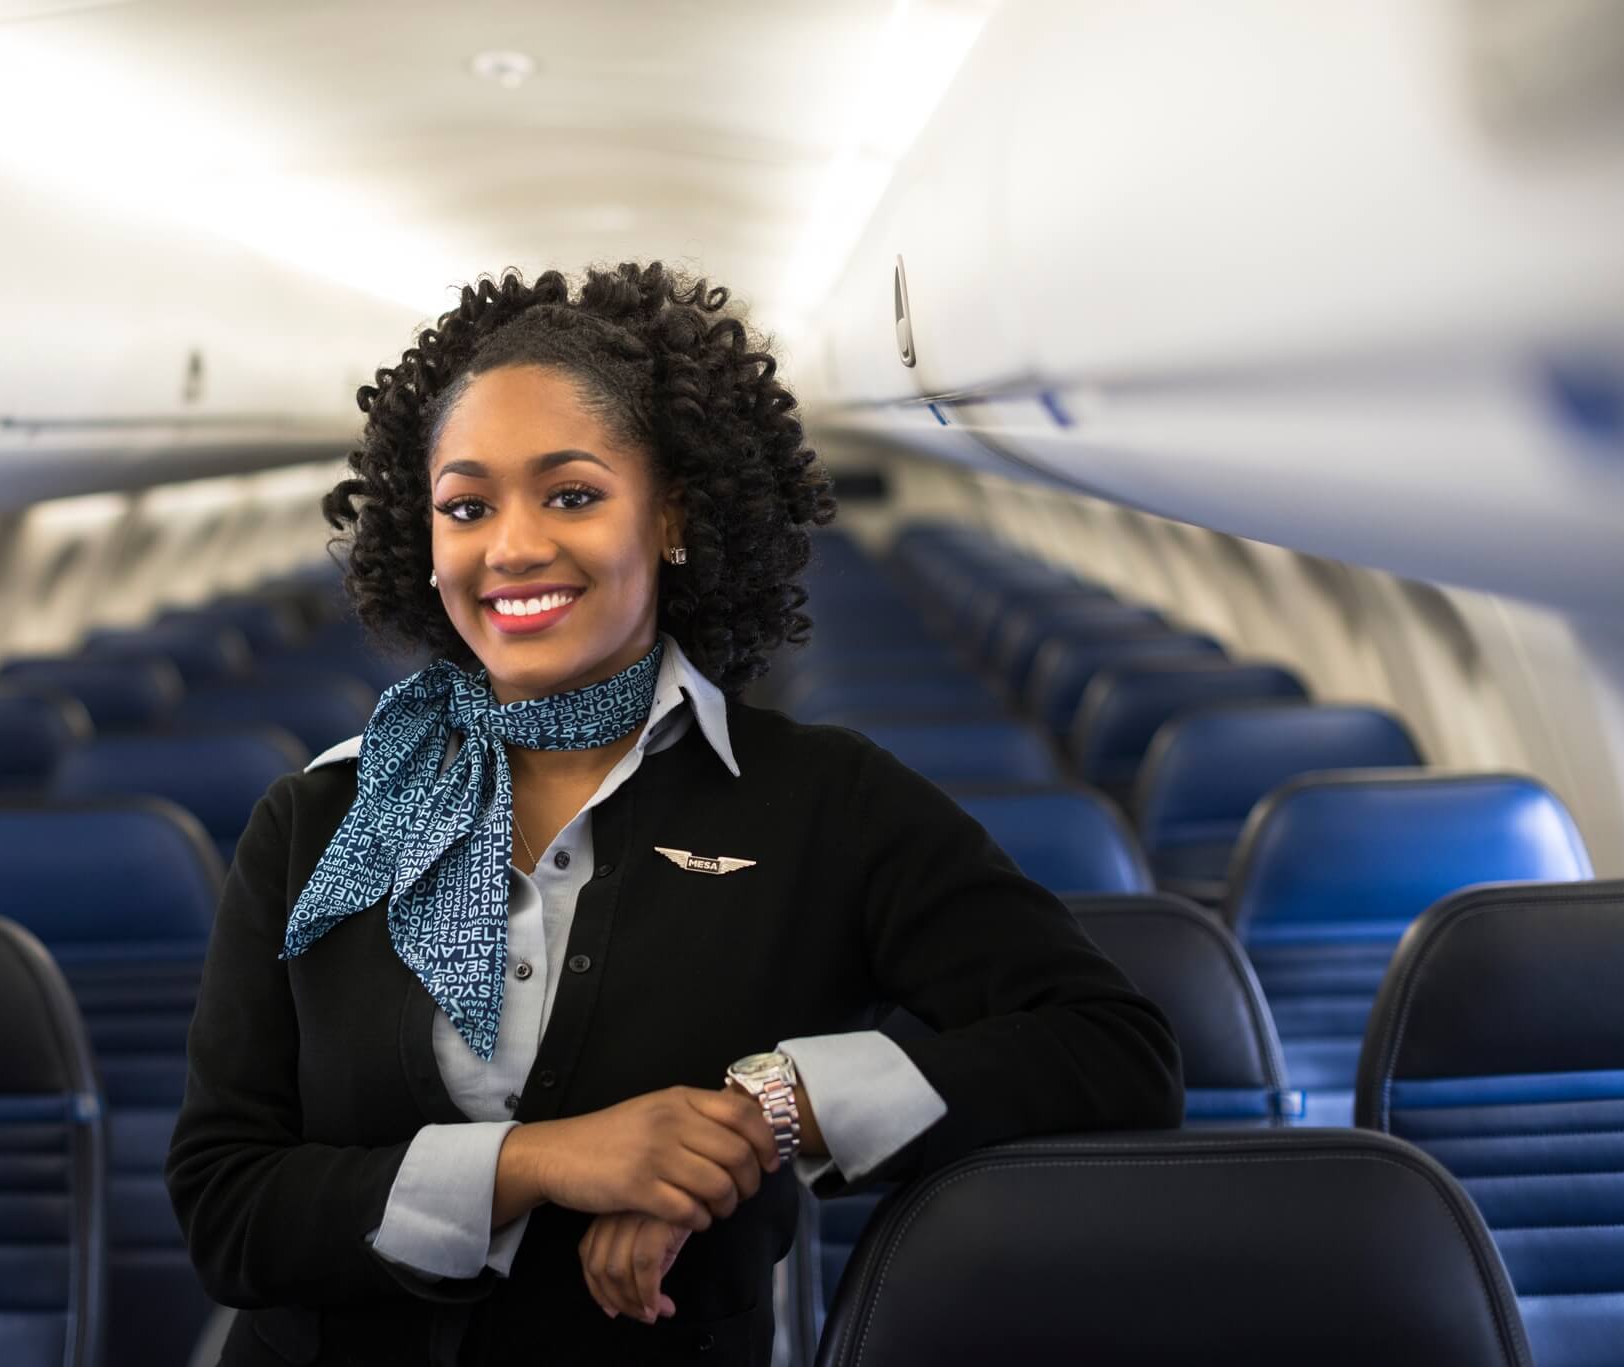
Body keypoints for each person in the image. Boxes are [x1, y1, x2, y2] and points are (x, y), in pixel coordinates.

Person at [166, 262, 1182, 1367]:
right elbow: (226, 1207)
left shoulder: (818, 803)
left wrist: (765, 1113)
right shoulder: (321, 820)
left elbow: (1111, 1046)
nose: (508, 547)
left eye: (571, 493)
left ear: (673, 514)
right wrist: (545, 1158)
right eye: (466, 506)